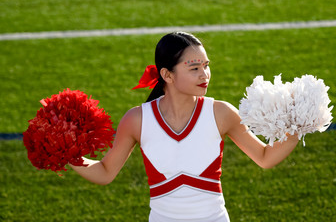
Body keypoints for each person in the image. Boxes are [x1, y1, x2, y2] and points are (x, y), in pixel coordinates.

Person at [70, 32, 299, 221]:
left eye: (206, 66)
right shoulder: (138, 120)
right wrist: (66, 152)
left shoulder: (220, 113)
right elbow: (105, 172)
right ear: (167, 75)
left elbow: (264, 157)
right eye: (194, 68)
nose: (205, 75)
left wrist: (299, 124)